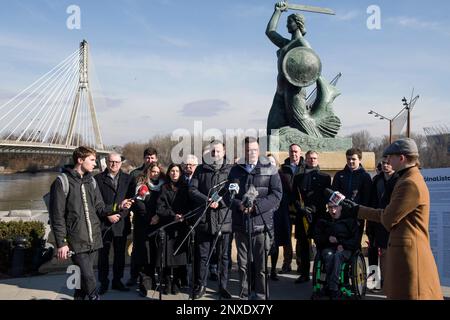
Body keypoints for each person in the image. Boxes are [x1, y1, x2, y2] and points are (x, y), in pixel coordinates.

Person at [344, 138, 443, 299]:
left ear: (402, 158)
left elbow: (388, 218)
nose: (387, 161)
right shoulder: (407, 179)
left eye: (390, 157)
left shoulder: (409, 183)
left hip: (410, 257)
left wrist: (357, 210)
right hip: (405, 253)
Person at [49, 146, 132, 300]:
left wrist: (118, 206)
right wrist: (61, 243)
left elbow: (100, 208)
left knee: (80, 282)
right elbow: (57, 216)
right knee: (89, 279)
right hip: (75, 240)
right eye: (92, 160)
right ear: (80, 160)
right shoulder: (62, 182)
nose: (95, 164)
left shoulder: (91, 181)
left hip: (93, 238)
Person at [265, 1, 341, 137]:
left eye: (290, 21)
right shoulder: (286, 43)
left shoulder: (302, 43)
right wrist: (278, 11)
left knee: (302, 125)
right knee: (272, 130)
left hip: (294, 91)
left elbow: (312, 65)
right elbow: (270, 32)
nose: (287, 24)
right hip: (280, 91)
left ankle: (318, 138)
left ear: (298, 23)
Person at [229, 137, 282, 300]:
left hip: (261, 226)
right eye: (247, 150)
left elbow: (277, 195)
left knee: (261, 267)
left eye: (254, 149)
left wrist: (256, 207)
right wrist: (239, 205)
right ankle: (244, 296)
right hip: (241, 226)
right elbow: (228, 195)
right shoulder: (235, 170)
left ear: (259, 151)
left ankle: (260, 297)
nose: (251, 152)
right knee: (243, 266)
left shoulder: (270, 169)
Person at [189, 141, 233, 299]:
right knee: (202, 256)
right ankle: (201, 286)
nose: (215, 154)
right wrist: (207, 200)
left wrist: (220, 202)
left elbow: (234, 192)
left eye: (218, 151)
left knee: (224, 256)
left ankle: (223, 287)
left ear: (224, 151)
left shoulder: (231, 170)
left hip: (224, 220)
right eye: (213, 151)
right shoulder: (200, 169)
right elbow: (192, 189)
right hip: (205, 220)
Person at [95, 152, 133, 295]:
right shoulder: (97, 179)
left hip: (121, 223)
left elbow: (130, 202)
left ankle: (118, 280)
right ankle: (103, 283)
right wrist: (108, 216)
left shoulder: (128, 179)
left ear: (121, 163)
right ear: (106, 161)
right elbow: (96, 203)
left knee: (119, 255)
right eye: (111, 161)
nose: (114, 164)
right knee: (103, 255)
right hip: (104, 223)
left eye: (117, 162)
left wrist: (119, 215)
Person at [292, 150, 331, 283]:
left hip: (318, 216)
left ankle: (320, 274)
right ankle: (304, 274)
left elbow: (327, 197)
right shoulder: (298, 177)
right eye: (309, 158)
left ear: (317, 159)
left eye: (314, 158)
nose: (312, 160)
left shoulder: (325, 177)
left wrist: (314, 209)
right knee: (303, 246)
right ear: (306, 159)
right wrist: (301, 208)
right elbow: (294, 197)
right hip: (302, 216)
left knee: (321, 246)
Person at [132, 162, 166, 297]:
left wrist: (158, 216)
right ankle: (144, 284)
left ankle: (155, 281)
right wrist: (150, 218)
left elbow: (165, 202)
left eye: (157, 171)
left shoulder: (163, 186)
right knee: (144, 256)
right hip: (144, 225)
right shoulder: (142, 186)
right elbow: (139, 204)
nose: (155, 174)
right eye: (153, 172)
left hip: (159, 224)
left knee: (156, 254)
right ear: (148, 172)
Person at [313, 203, 360, 299]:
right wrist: (327, 238)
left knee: (337, 256)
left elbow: (355, 241)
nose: (333, 210)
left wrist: (342, 243)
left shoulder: (350, 221)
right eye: (330, 207)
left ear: (341, 207)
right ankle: (333, 288)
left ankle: (332, 287)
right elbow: (317, 238)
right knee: (329, 255)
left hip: (346, 249)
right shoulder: (323, 221)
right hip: (329, 248)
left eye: (335, 207)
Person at [156, 163, 190, 295]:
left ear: (180, 173)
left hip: (181, 226)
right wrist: (172, 215)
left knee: (179, 257)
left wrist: (183, 216)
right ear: (169, 173)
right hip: (168, 226)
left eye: (177, 171)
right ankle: (166, 283)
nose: (174, 173)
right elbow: (160, 207)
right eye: (172, 171)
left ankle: (176, 282)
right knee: (166, 257)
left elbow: (189, 205)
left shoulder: (186, 187)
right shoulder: (163, 188)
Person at [127, 147, 159, 286]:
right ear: (144, 158)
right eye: (147, 157)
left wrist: (157, 215)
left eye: (152, 158)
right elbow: (131, 197)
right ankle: (134, 276)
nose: (150, 160)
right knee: (137, 249)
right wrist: (143, 214)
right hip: (140, 219)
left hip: (156, 220)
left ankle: (150, 276)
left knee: (153, 249)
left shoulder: (160, 176)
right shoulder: (135, 174)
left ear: (156, 159)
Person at [366, 156, 398, 290]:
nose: (385, 166)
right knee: (372, 252)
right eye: (383, 163)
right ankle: (373, 281)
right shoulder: (376, 180)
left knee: (387, 255)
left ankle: (388, 281)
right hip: (375, 220)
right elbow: (371, 200)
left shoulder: (398, 180)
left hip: (389, 222)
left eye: (388, 163)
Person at [272, 144, 304, 278]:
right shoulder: (282, 169)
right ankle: (287, 263)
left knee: (302, 237)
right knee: (286, 236)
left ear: (300, 153)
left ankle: (302, 263)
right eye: (291, 151)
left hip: (301, 206)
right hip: (286, 206)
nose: (294, 154)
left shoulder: (305, 167)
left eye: (296, 151)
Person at [331, 148, 372, 242]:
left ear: (360, 159)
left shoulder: (365, 176)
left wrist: (362, 212)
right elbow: (334, 193)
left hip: (357, 214)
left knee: (355, 242)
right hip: (341, 214)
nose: (350, 161)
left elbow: (367, 197)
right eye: (348, 159)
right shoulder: (339, 175)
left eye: (353, 159)